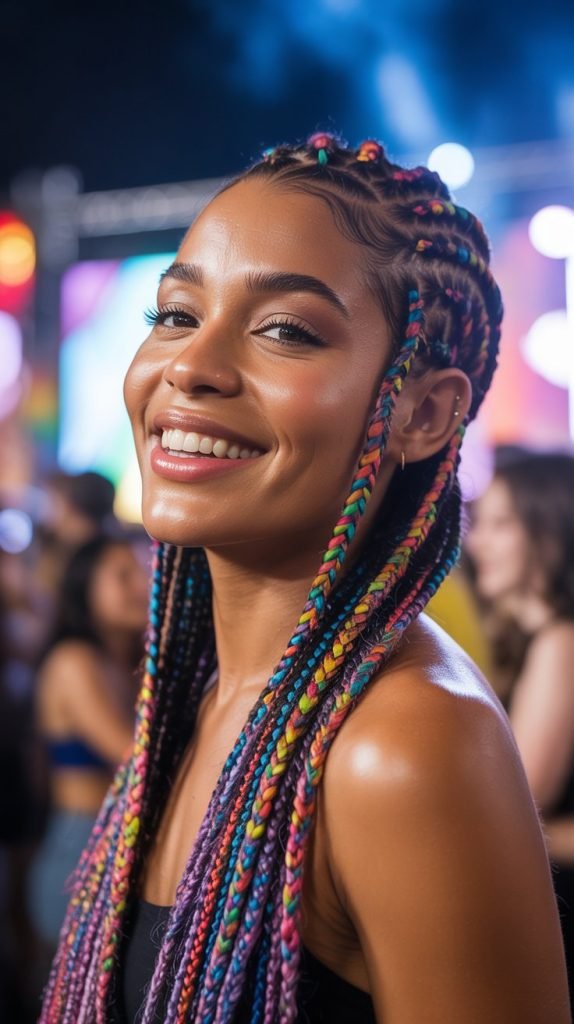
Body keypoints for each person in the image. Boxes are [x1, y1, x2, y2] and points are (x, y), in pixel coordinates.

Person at [40, 135, 570, 1023]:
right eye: (174, 314)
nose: (190, 368)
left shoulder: (403, 745)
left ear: (424, 411)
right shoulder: (203, 699)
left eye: (285, 329)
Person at [466, 447, 574, 1007]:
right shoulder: (539, 640)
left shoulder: (561, 643)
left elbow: (517, 816)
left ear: (550, 529)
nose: (477, 541)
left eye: (500, 523)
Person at [29, 533, 148, 949]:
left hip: (115, 846)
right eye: (124, 575)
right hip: (79, 849)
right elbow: (133, 758)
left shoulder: (129, 662)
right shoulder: (73, 661)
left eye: (145, 570)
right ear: (85, 588)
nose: (143, 584)